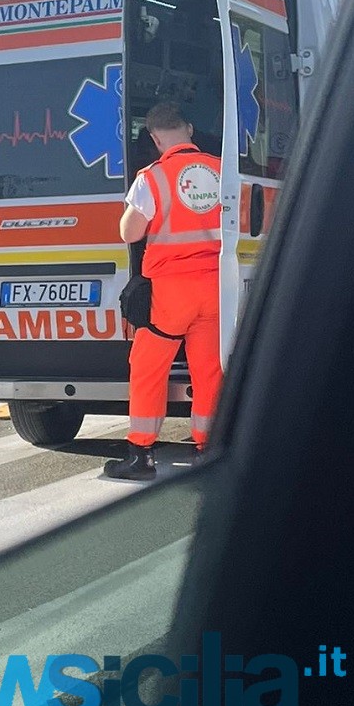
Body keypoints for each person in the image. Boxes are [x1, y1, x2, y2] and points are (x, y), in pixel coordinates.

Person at [108, 100, 223, 481]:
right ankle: (209, 450)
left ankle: (140, 454)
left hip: (172, 293)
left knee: (148, 369)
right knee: (209, 371)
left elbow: (130, 232)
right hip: (215, 287)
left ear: (155, 138)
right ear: (189, 129)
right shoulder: (221, 171)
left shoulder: (152, 177)